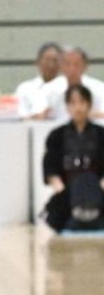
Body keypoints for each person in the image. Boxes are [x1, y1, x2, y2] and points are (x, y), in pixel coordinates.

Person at [42, 84, 104, 232]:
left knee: (88, 184)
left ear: (89, 104)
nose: (78, 107)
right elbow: (50, 165)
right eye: (73, 103)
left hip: (97, 188)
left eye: (82, 102)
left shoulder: (101, 134)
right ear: (67, 106)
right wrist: (59, 187)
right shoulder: (57, 135)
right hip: (68, 190)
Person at [42, 47, 104, 122]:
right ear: (61, 66)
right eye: (67, 64)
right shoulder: (49, 89)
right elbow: (36, 115)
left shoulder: (99, 88)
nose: (72, 69)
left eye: (77, 64)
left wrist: (84, 115)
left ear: (85, 66)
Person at [15, 42, 63, 119]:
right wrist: (37, 117)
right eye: (47, 60)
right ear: (38, 63)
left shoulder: (68, 87)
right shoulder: (25, 88)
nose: (51, 65)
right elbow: (20, 117)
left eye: (55, 61)